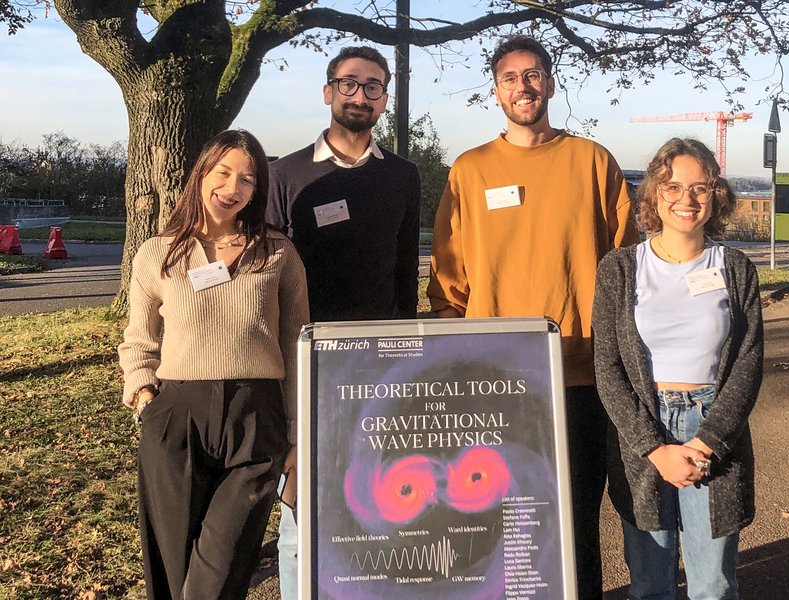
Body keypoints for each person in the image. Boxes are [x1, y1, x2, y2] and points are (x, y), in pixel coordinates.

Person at [428, 35, 640, 600]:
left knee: (575, 519)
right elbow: (448, 279)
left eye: (533, 74)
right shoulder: (470, 170)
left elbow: (628, 263)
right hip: (495, 378)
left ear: (550, 80)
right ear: (495, 92)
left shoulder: (592, 161)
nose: (523, 86)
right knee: (496, 521)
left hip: (582, 373)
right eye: (510, 78)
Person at [118, 129, 309, 600]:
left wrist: (298, 434)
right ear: (201, 173)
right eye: (223, 171)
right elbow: (139, 341)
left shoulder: (278, 252)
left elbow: (297, 342)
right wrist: (145, 399)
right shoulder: (157, 254)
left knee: (220, 569)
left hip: (255, 417)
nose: (232, 187)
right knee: (174, 563)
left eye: (247, 178)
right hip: (177, 418)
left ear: (257, 189)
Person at [266, 46, 421, 599]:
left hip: (379, 359)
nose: (360, 95)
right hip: (302, 361)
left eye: (373, 86)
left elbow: (406, 272)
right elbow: (266, 278)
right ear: (328, 91)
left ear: (385, 99)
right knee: (302, 493)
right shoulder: (284, 174)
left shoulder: (403, 176)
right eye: (349, 84)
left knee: (377, 485)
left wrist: (409, 349)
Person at [592, 137, 764, 600]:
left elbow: (747, 364)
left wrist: (707, 442)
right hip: (642, 432)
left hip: (713, 430)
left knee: (714, 584)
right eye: (672, 186)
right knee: (649, 584)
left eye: (700, 187)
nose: (686, 199)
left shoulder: (735, 268)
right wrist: (653, 448)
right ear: (653, 193)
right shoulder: (620, 269)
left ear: (716, 195)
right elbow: (608, 369)